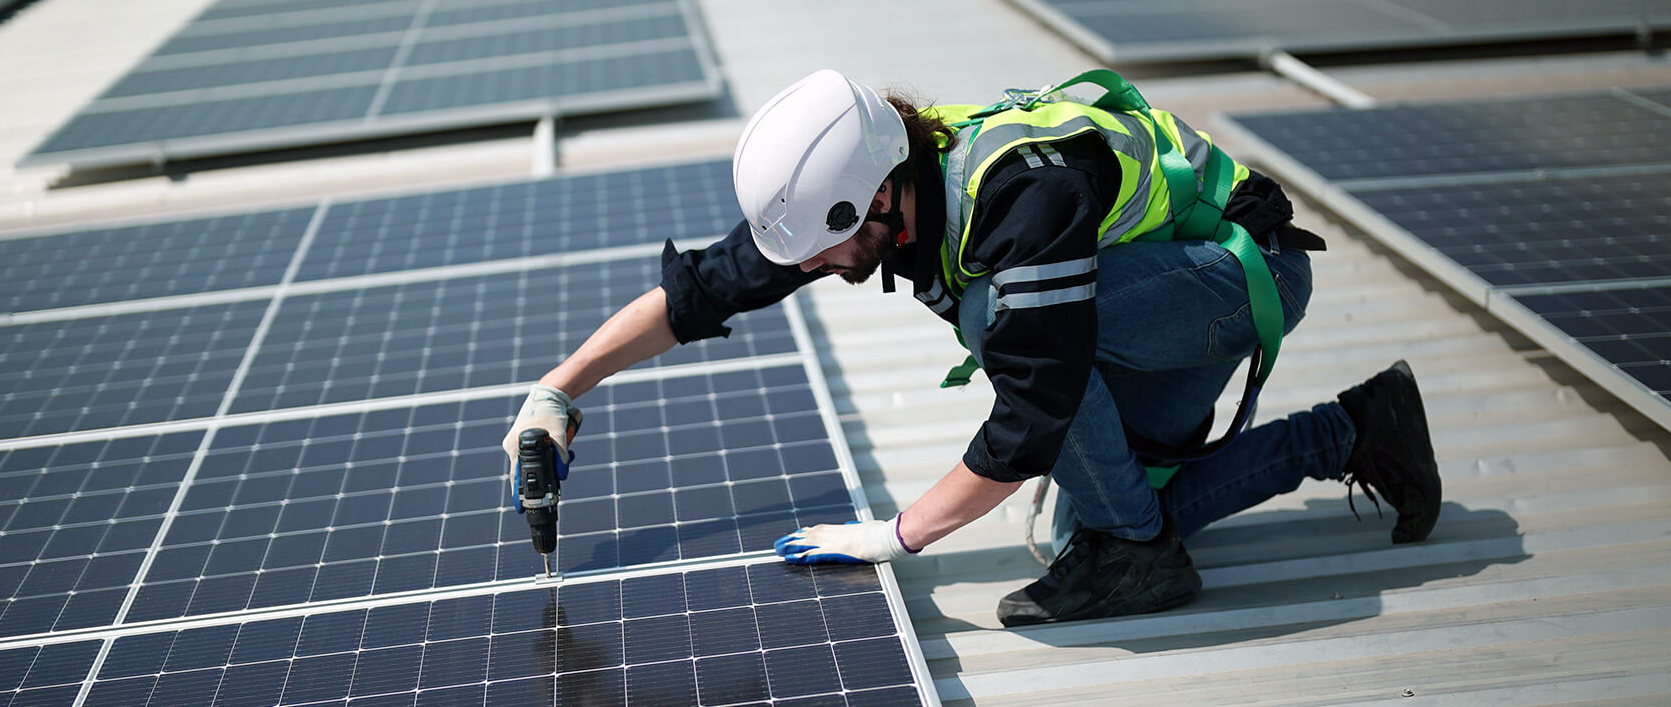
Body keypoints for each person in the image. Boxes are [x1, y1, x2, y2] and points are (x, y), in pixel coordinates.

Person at [503, 69, 1439, 627]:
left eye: (824, 249)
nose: (817, 269)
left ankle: (1144, 552)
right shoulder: (874, 194)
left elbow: (1034, 408)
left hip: (1240, 277)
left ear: (875, 202)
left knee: (1011, 331)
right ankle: (1355, 430)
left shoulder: (1015, 204)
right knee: (1095, 527)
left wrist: (898, 534)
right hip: (1152, 293)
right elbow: (707, 286)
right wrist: (560, 390)